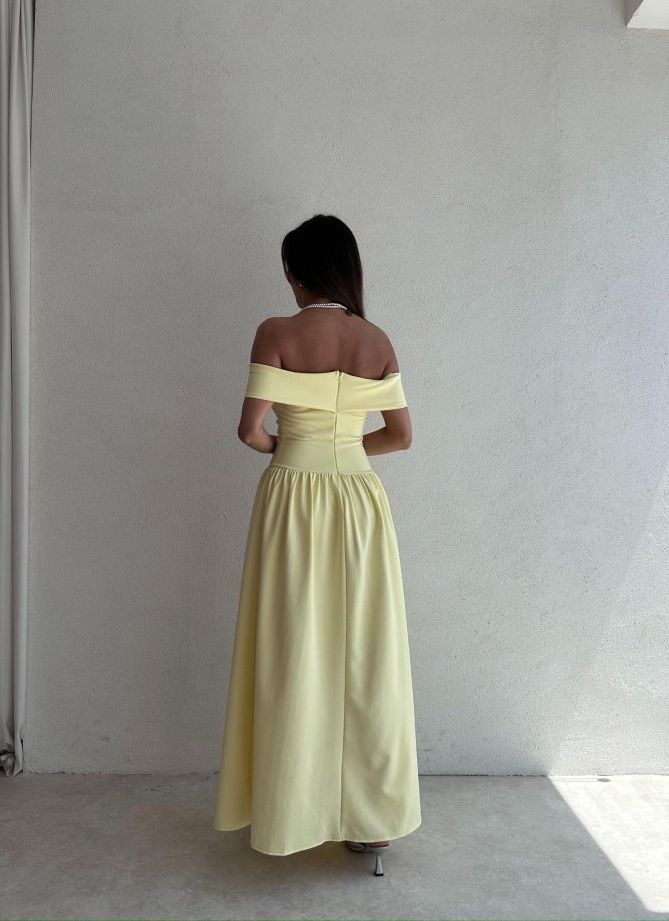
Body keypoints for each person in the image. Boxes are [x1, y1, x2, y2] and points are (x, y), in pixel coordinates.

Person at [212, 214, 421, 877]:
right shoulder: (377, 340)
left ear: (295, 272)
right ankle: (372, 824)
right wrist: (342, 451)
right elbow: (400, 435)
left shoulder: (275, 332)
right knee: (366, 651)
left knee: (290, 644)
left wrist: (291, 446)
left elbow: (249, 431)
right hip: (359, 502)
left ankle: (289, 811)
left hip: (291, 498)